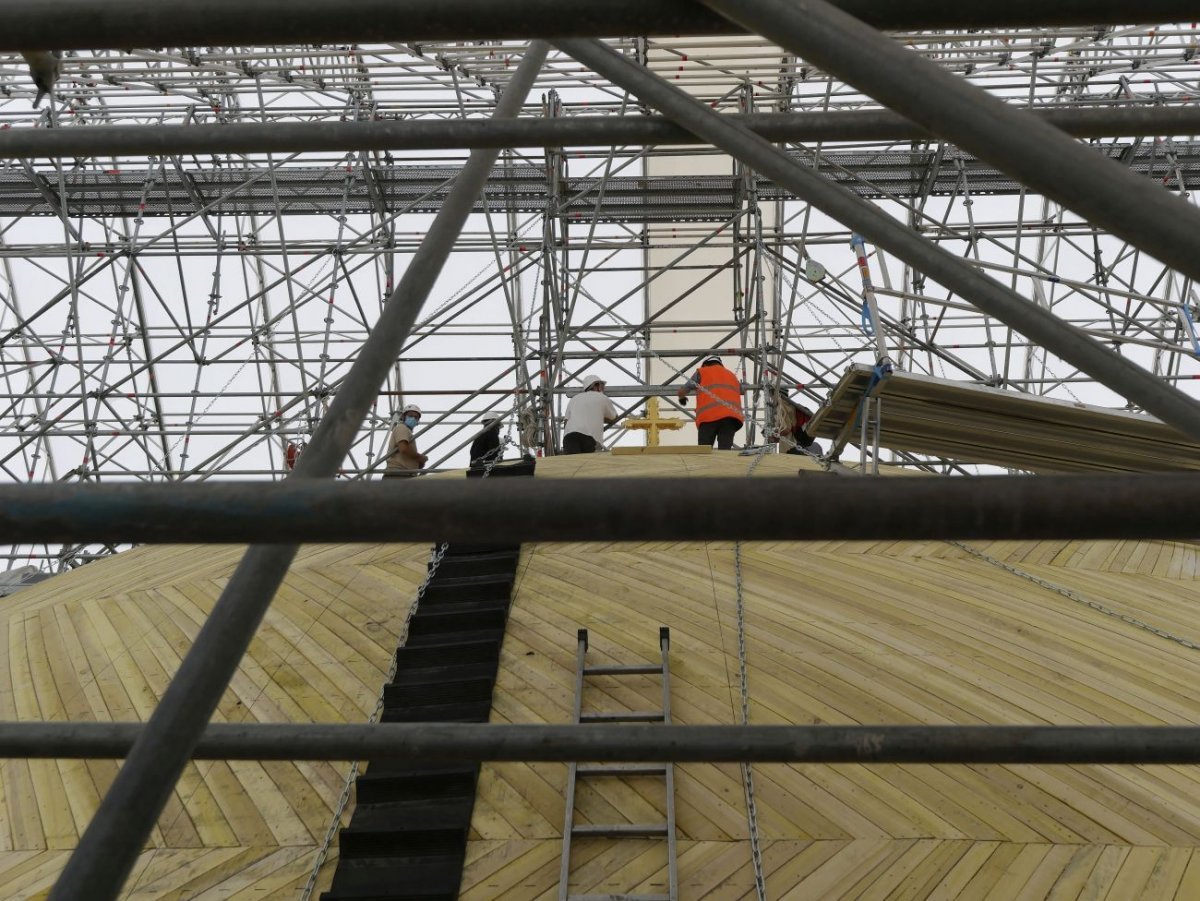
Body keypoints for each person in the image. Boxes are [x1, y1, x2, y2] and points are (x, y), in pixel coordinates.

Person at [677, 355, 744, 449]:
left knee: (704, 452)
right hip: (731, 418)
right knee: (725, 452)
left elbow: (684, 389)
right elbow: (742, 390)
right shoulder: (732, 375)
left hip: (709, 417)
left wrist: (681, 398)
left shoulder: (702, 372)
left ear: (705, 364)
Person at [562, 373, 617, 454]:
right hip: (590, 438)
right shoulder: (603, 398)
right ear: (595, 385)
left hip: (570, 437)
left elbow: (566, 421)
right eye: (602, 386)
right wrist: (599, 417)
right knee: (588, 464)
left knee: (572, 464)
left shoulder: (574, 398)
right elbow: (613, 417)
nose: (603, 389)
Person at [384, 403, 428, 478]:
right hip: (399, 474)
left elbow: (406, 456)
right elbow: (403, 448)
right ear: (403, 417)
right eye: (410, 416)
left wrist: (419, 462)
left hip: (404, 474)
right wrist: (420, 457)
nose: (413, 418)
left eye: (416, 417)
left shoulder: (407, 432)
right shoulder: (402, 428)